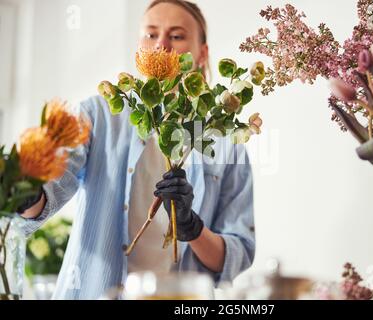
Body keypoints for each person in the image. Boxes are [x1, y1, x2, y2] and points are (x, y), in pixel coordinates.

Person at [17, 0, 255, 299]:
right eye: (151, 34)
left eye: (177, 36)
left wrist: (191, 228)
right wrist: (26, 192)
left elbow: (237, 255)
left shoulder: (226, 141)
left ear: (202, 53)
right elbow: (48, 193)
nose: (161, 46)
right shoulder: (98, 116)